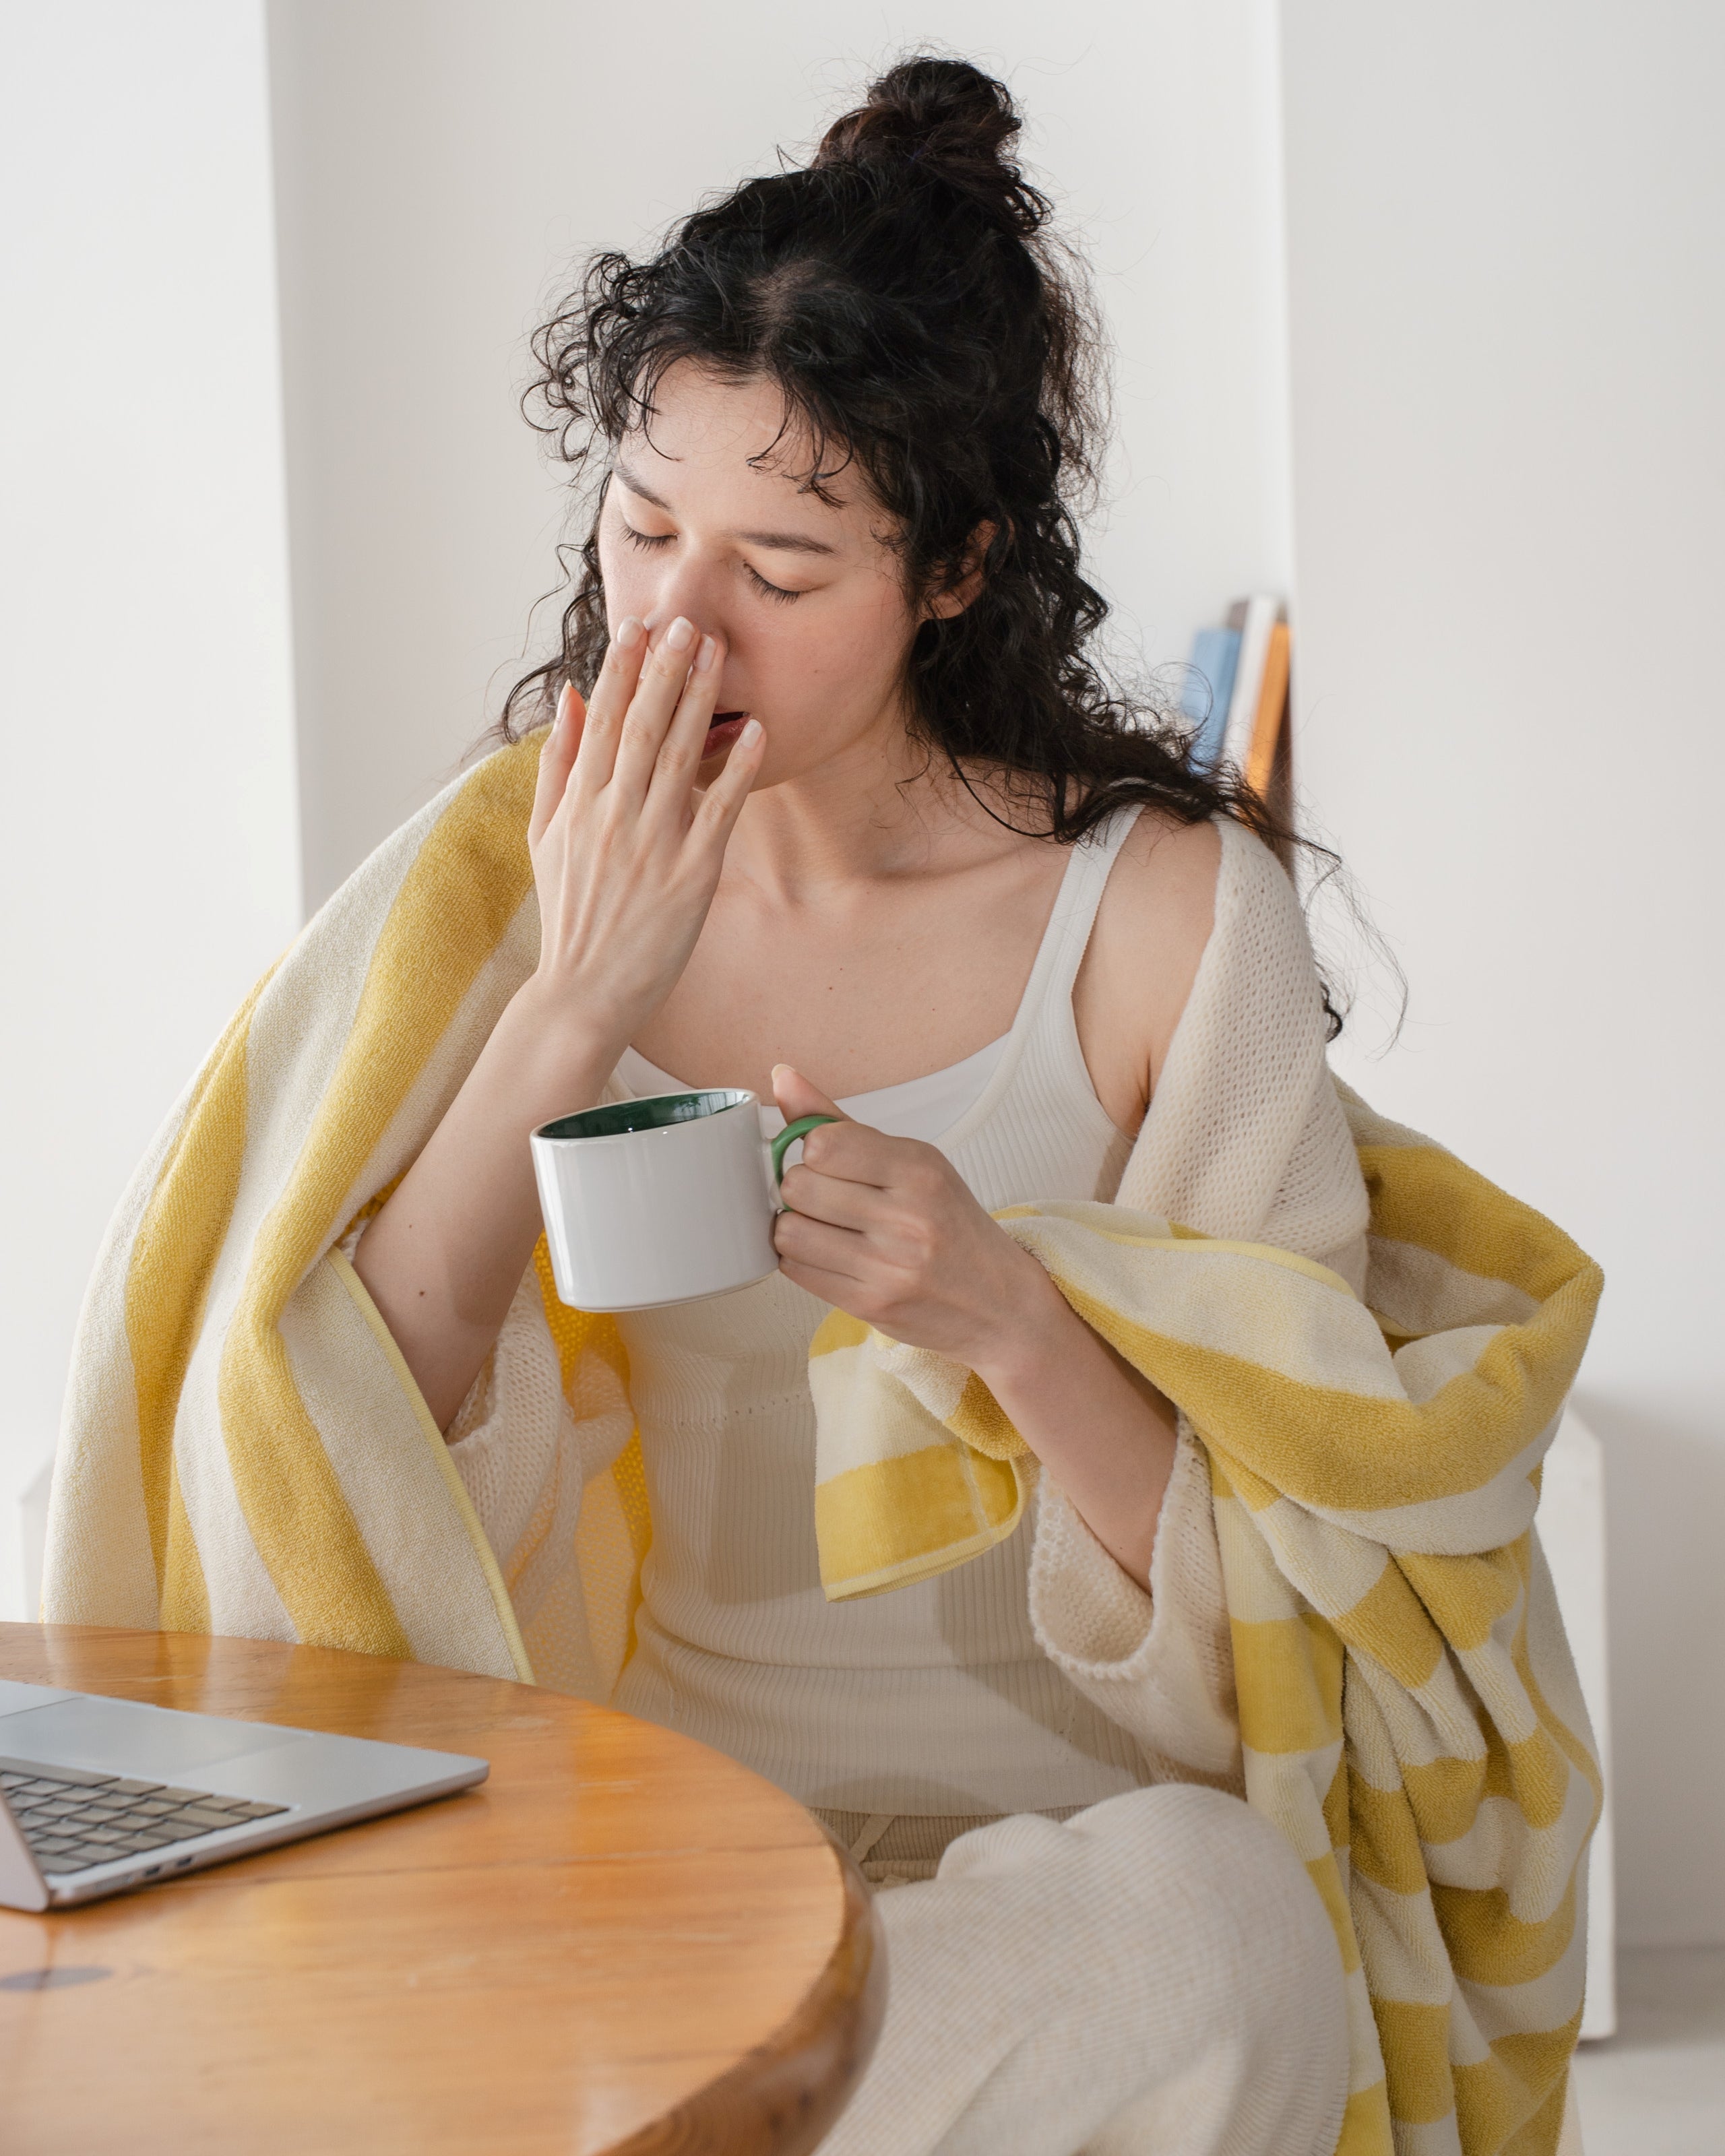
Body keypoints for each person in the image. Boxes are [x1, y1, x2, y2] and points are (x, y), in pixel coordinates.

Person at [342, 55, 1356, 2156]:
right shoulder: (511, 876)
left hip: (1087, 1860)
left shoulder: (1162, 921)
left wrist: (1005, 1313)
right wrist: (573, 1008)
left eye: (782, 572)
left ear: (959, 570)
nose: (676, 622)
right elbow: (340, 1420)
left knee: (1221, 1928)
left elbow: (1307, 1586)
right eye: (642, 531)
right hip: (671, 1843)